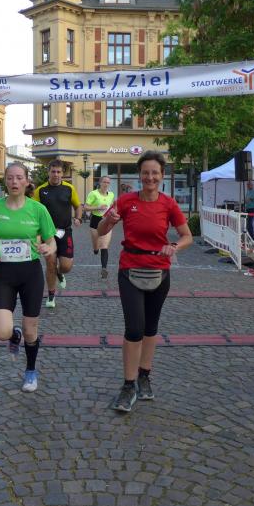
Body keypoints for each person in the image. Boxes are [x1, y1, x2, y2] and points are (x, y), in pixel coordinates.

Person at [98, 151, 193, 413]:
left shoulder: (168, 204)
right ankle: (128, 385)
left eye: (155, 173)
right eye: (145, 173)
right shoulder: (125, 201)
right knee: (134, 328)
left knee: (150, 327)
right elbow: (102, 230)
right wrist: (109, 220)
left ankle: (144, 376)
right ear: (139, 175)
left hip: (159, 272)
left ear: (162, 175)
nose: (150, 177)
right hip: (130, 269)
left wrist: (174, 246)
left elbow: (187, 236)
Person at [0, 163, 57, 392]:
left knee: (31, 330)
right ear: (5, 181)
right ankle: (14, 335)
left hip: (31, 273)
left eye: (19, 177)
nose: (14, 182)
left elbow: (51, 240)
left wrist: (48, 248)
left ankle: (30, 371)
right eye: (10, 178)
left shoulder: (38, 209)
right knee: (2, 332)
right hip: (4, 273)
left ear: (26, 181)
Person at [33, 160, 83, 308]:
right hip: (47, 234)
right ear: (48, 172)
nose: (56, 174)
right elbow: (33, 211)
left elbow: (78, 206)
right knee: (50, 263)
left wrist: (78, 218)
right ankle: (51, 296)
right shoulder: (40, 190)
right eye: (53, 171)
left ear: (62, 173)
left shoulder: (69, 188)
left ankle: (59, 273)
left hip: (65, 231)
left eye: (59, 172)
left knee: (66, 266)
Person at [84, 176, 116, 279]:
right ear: (100, 183)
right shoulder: (93, 194)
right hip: (95, 220)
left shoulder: (111, 194)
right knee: (96, 246)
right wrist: (98, 207)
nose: (106, 184)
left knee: (104, 246)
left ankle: (104, 269)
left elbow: (112, 205)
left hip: (106, 221)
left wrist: (113, 211)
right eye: (104, 182)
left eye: (108, 182)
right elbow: (85, 207)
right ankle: (95, 249)